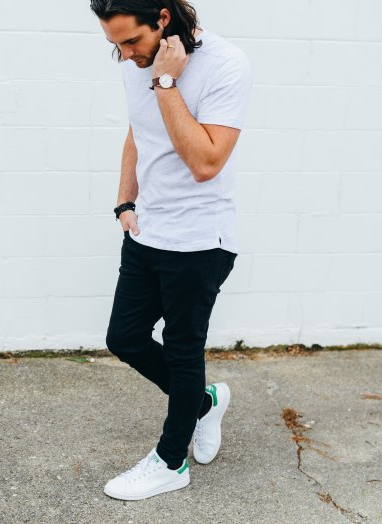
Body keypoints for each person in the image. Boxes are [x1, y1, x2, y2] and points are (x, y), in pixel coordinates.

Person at [89, 0, 253, 500]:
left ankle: (170, 461)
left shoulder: (227, 65)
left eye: (130, 42)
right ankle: (202, 404)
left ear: (162, 18)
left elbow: (206, 162)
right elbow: (139, 132)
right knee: (125, 338)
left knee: (184, 352)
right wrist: (124, 200)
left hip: (200, 241)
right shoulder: (134, 61)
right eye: (113, 45)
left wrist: (166, 83)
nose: (124, 55)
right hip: (148, 231)